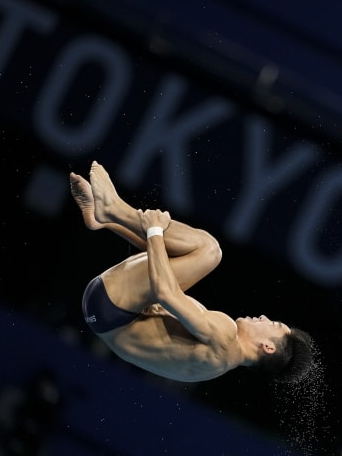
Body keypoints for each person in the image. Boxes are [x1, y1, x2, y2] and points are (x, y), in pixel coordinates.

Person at [69, 161, 314, 383]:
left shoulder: (225, 336)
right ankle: (103, 219)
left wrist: (155, 230)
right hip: (106, 314)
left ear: (267, 347)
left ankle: (115, 209)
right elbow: (159, 268)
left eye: (272, 323)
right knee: (174, 257)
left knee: (210, 251)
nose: (263, 317)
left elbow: (165, 292)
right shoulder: (216, 366)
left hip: (113, 306)